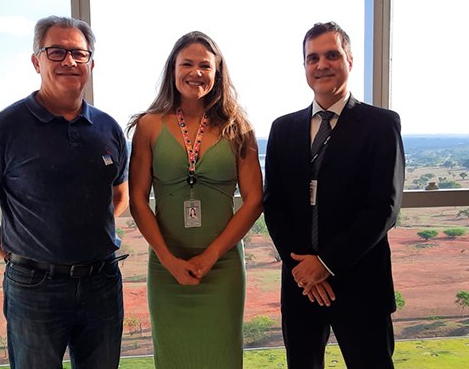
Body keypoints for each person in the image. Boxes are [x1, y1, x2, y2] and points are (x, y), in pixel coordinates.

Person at [0, 15, 129, 368]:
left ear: (91, 64)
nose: (69, 61)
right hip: (34, 287)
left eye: (79, 54)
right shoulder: (4, 128)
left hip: (102, 283)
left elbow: (119, 195)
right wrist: (9, 252)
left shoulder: (107, 128)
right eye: (56, 52)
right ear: (36, 61)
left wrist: (86, 233)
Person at [263, 22, 405, 368]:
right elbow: (274, 206)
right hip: (301, 285)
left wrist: (325, 264)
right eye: (312, 58)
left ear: (350, 60)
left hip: (360, 282)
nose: (321, 64)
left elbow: (383, 207)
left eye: (331, 55)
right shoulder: (283, 129)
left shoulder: (381, 125)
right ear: (305, 67)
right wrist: (302, 270)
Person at [127, 31, 263, 368]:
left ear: (218, 73)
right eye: (186, 63)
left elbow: (254, 200)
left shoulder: (237, 126)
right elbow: (138, 200)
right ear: (172, 69)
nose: (195, 72)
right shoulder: (148, 126)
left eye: (205, 65)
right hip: (165, 266)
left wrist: (212, 255)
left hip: (223, 267)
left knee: (222, 355)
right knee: (173, 356)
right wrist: (169, 259)